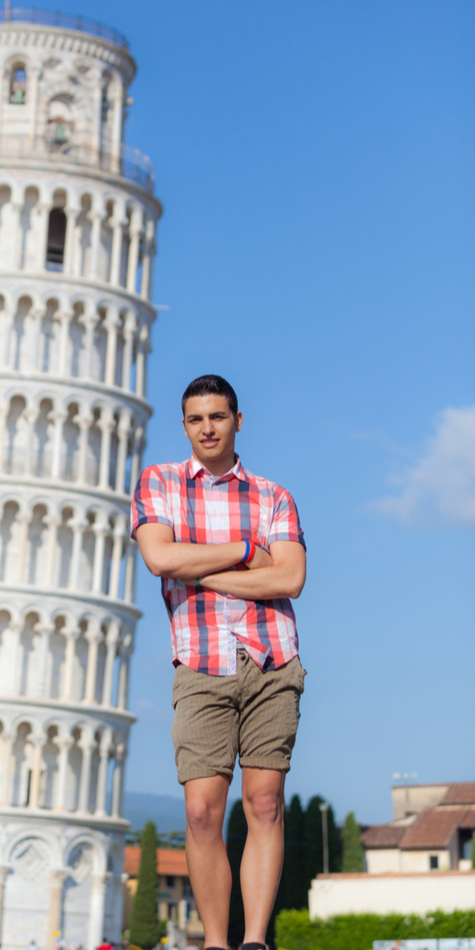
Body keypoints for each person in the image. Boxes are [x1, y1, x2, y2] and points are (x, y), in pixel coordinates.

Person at [132, 375, 307, 950]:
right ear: (185, 426)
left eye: (218, 416)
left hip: (270, 658)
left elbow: (291, 577)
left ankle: (253, 940)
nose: (207, 428)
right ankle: (215, 942)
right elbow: (160, 557)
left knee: (264, 802)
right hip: (201, 661)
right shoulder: (158, 483)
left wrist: (198, 569)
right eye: (195, 419)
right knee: (203, 812)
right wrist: (238, 553)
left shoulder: (273, 496)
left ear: (237, 420)